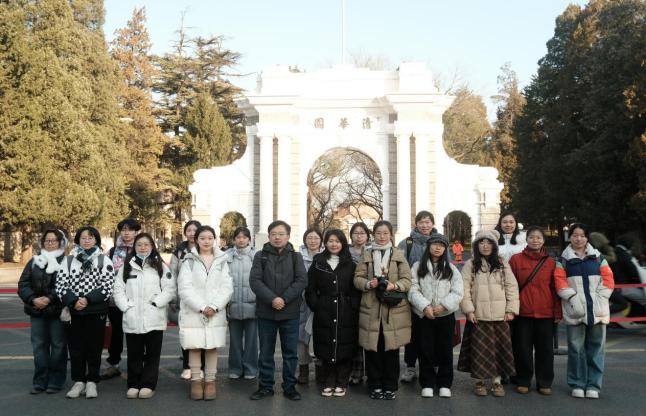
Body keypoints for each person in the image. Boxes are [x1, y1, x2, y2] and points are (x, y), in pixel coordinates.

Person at [249, 220, 308, 401]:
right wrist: (272, 299)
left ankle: (289, 387)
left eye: (281, 234)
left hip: (290, 312)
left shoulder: (295, 257)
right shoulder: (260, 256)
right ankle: (265, 386)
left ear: (288, 236)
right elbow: (255, 281)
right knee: (265, 352)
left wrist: (284, 299)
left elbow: (301, 280)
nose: (277, 237)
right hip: (266, 312)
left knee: (290, 353)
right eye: (274, 234)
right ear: (268, 236)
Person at [113, 233, 176, 399]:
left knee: (152, 354)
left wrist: (156, 303)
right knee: (134, 353)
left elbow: (169, 289)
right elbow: (118, 289)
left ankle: (148, 384)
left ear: (152, 246)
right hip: (132, 316)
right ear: (134, 247)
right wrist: (125, 306)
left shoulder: (160, 266)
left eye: (146, 244)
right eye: (139, 244)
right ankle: (133, 383)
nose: (142, 247)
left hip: (154, 316)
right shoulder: (126, 266)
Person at [555, 223, 614, 399]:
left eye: (582, 235)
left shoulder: (598, 258)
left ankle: (593, 385)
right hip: (575, 310)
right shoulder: (563, 260)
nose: (578, 239)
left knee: (596, 349)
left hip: (597, 310)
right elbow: (559, 282)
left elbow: (608, 280)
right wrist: (573, 298)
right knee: (576, 350)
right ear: (570, 237)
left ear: (587, 237)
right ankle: (577, 384)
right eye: (575, 235)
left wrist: (601, 299)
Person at [354, 220, 412, 400]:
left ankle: (390, 386)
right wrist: (367, 283)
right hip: (371, 308)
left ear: (391, 235)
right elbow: (357, 278)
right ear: (373, 235)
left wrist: (394, 285)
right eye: (378, 233)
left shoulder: (399, 255)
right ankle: (375, 385)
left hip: (392, 310)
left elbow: (407, 280)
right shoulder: (367, 254)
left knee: (391, 350)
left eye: (385, 233)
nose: (382, 236)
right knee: (372, 349)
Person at [55, 226, 115, 399]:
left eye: (90, 237)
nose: (87, 240)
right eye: (83, 238)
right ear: (78, 240)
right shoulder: (68, 260)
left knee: (94, 348)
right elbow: (60, 285)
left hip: (96, 311)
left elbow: (107, 286)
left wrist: (87, 299)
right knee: (75, 348)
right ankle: (79, 381)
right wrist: (74, 301)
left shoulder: (104, 260)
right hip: (74, 311)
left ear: (96, 240)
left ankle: (92, 381)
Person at [458, 229, 519, 397]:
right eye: (481, 242)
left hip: (500, 315)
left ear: (494, 245)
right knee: (480, 351)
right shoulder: (471, 264)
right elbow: (464, 288)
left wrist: (511, 310)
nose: (485, 246)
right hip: (478, 316)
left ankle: (497, 382)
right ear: (476, 245)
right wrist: (468, 310)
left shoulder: (502, 263)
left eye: (489, 242)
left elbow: (511, 287)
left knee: (498, 350)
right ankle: (479, 382)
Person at [178, 225, 233, 401]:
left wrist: (215, 306)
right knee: (194, 346)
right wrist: (202, 307)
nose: (206, 241)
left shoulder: (222, 260)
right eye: (202, 238)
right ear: (196, 240)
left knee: (211, 346)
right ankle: (195, 381)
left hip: (215, 311)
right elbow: (184, 288)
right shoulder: (188, 260)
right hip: (194, 310)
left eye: (210, 238)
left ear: (214, 239)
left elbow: (227, 287)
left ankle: (210, 381)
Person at [306, 229, 360, 397]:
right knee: (326, 345)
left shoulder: (351, 264)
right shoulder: (318, 262)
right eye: (330, 241)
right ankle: (329, 381)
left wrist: (352, 306)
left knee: (345, 346)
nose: (334, 244)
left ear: (343, 243)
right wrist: (316, 305)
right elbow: (310, 288)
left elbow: (355, 290)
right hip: (324, 309)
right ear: (325, 243)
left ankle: (342, 381)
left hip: (346, 310)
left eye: (337, 241)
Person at [408, 233, 463, 398]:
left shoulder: (451, 268)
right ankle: (427, 383)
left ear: (445, 248)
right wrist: (424, 306)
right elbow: (412, 288)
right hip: (424, 315)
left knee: (445, 349)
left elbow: (458, 291)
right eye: (434, 244)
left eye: (441, 245)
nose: (438, 247)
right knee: (425, 350)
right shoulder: (418, 266)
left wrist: (444, 305)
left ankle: (445, 383)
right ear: (428, 246)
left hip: (445, 315)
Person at [508, 226, 561, 395]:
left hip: (545, 313)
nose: (535, 240)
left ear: (543, 241)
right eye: (531, 237)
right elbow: (509, 286)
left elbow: (555, 289)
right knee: (522, 349)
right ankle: (523, 380)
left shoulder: (551, 262)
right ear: (526, 239)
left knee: (545, 350)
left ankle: (544, 382)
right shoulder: (515, 260)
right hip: (522, 312)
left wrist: (557, 312)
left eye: (538, 237)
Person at [18, 228, 68, 394]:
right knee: (39, 346)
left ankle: (56, 380)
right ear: (43, 243)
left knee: (58, 346)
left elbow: (66, 284)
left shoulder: (66, 261)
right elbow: (23, 284)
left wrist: (49, 298)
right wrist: (33, 299)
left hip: (56, 310)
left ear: (60, 243)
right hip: (36, 311)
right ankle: (40, 380)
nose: (50, 243)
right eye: (47, 240)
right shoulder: (34, 261)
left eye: (54, 240)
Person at [397, 210, 437, 383]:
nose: (425, 225)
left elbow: (448, 268)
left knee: (433, 334)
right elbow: (398, 268)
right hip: (411, 296)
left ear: (433, 224)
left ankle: (432, 364)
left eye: (428, 222)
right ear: (416, 224)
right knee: (412, 335)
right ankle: (410, 366)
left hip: (434, 296)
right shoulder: (406, 243)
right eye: (421, 222)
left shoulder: (439, 242)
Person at [102, 218, 141, 380]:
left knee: (136, 333)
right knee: (116, 333)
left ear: (136, 232)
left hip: (136, 298)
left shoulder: (142, 249)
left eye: (130, 229)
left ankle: (137, 365)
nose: (126, 233)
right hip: (115, 299)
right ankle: (114, 364)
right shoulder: (112, 251)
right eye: (123, 229)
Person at [169, 220, 202, 379]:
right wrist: (173, 297)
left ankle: (201, 366)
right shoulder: (178, 252)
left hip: (201, 298)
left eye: (195, 230)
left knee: (202, 333)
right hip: (184, 298)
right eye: (189, 230)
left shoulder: (205, 248)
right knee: (186, 333)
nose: (192, 233)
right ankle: (187, 366)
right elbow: (172, 275)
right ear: (185, 232)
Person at [225, 226, 259, 380]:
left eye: (244, 237)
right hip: (232, 304)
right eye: (238, 237)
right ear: (233, 240)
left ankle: (251, 368)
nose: (241, 240)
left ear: (249, 240)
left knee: (252, 341)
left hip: (253, 304)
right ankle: (235, 368)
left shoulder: (256, 256)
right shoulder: (226, 257)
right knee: (234, 341)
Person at [297, 227, 323, 384]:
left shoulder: (327, 256)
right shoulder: (297, 257)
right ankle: (303, 370)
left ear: (321, 240)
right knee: (301, 338)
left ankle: (321, 370)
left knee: (320, 336)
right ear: (305, 240)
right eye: (309, 238)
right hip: (301, 303)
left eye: (316, 238)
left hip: (320, 303)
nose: (313, 241)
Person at [348, 222, 371, 385]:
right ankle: (356, 372)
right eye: (356, 233)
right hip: (350, 298)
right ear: (351, 236)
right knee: (354, 337)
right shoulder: (344, 253)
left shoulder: (373, 251)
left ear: (367, 236)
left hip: (370, 296)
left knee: (369, 336)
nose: (359, 236)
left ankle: (371, 372)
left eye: (362, 233)